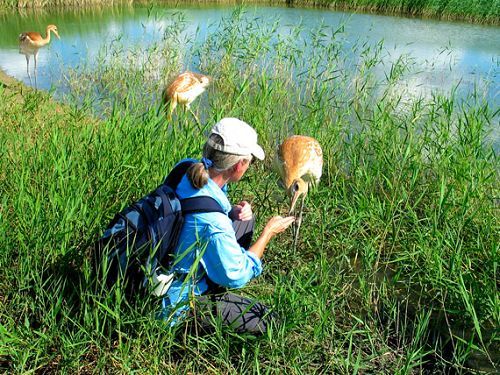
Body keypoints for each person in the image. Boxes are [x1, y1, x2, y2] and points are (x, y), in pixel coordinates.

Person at [159, 117, 295, 334]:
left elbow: (193, 205)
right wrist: (268, 233)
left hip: (161, 265)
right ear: (239, 165)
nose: (249, 165)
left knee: (244, 220)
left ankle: (216, 269)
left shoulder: (185, 167)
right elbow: (237, 276)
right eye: (249, 160)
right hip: (177, 303)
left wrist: (230, 211)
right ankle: (182, 326)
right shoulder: (215, 224)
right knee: (270, 320)